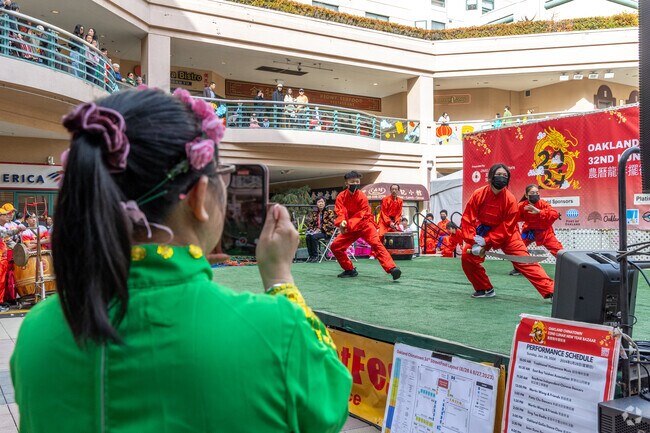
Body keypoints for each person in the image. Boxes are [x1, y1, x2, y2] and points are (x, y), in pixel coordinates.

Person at [10, 88, 352, 433]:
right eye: (224, 177)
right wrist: (280, 278)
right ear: (200, 197)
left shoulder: (38, 331)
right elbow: (329, 406)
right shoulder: (276, 329)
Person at [460, 163, 554, 299]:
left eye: (505, 176)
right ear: (491, 177)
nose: (501, 178)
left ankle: (552, 291)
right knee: (467, 256)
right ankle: (484, 288)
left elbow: (507, 226)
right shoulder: (478, 194)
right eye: (498, 175)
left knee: (525, 261)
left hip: (508, 234)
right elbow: (468, 218)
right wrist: (471, 240)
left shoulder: (510, 199)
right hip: (484, 231)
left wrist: (487, 240)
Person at [331, 171, 401, 280]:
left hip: (365, 225)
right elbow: (339, 211)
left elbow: (362, 214)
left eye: (357, 181)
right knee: (335, 246)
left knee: (376, 243)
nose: (355, 183)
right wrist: (341, 222)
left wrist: (346, 223)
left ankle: (392, 268)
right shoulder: (341, 196)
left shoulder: (362, 196)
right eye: (352, 181)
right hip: (350, 227)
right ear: (346, 183)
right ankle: (349, 269)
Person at [510, 184, 564, 276]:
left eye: (537, 192)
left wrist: (539, 211)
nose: (535, 194)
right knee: (517, 247)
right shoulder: (522, 206)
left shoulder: (543, 203)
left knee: (558, 250)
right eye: (532, 193)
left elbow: (554, 214)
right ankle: (518, 268)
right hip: (529, 232)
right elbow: (512, 216)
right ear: (527, 195)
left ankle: (567, 268)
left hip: (544, 232)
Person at [305, 196, 335, 262]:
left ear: (324, 203)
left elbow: (331, 224)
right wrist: (310, 229)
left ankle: (316, 256)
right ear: (316, 204)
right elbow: (311, 224)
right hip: (316, 232)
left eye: (322, 202)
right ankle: (311, 256)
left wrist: (321, 229)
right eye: (319, 202)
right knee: (308, 237)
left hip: (326, 232)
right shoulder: (315, 213)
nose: (320, 203)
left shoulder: (329, 212)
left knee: (313, 237)